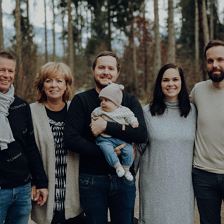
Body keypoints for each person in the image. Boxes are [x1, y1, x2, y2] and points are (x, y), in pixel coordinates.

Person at [64, 51, 147, 224]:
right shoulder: (81, 100)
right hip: (91, 179)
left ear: (117, 72)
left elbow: (141, 134)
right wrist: (103, 151)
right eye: (101, 67)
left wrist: (107, 126)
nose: (106, 72)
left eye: (111, 68)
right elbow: (70, 139)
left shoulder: (129, 101)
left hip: (124, 177)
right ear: (94, 70)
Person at [138, 63, 196, 224]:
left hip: (183, 187)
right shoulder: (147, 112)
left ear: (182, 83)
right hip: (155, 187)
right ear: (159, 84)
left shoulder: (193, 112)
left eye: (175, 79)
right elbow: (137, 150)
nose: (171, 84)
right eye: (166, 80)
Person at [30, 62, 84, 224]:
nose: (54, 85)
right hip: (44, 191)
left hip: (73, 193)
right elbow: (27, 151)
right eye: (49, 80)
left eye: (59, 81)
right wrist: (33, 181)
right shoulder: (31, 111)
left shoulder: (76, 109)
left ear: (67, 85)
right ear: (42, 85)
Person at [0, 50, 48, 224]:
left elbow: (30, 146)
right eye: (1, 70)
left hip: (22, 190)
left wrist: (41, 182)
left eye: (10, 71)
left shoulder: (21, 106)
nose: (6, 75)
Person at [191, 39, 224, 224]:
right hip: (203, 174)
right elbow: (178, 111)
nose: (215, 65)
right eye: (210, 61)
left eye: (220, 59)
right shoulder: (198, 90)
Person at [92, 83, 139, 181]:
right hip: (104, 138)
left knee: (129, 150)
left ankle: (126, 169)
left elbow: (131, 116)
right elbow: (93, 118)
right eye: (102, 100)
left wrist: (133, 122)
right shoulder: (99, 110)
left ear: (116, 102)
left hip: (121, 139)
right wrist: (94, 123)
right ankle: (117, 166)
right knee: (107, 149)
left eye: (107, 100)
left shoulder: (123, 110)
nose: (103, 103)